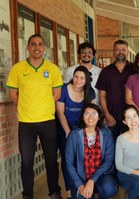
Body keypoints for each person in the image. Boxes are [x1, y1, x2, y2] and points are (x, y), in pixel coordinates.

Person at [6, 34, 63, 199]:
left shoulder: (52, 69)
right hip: (26, 123)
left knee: (51, 160)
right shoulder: (18, 68)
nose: (37, 47)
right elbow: (12, 93)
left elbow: (57, 93)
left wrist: (43, 104)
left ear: (44, 48)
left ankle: (54, 192)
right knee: (26, 162)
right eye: (33, 44)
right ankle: (28, 195)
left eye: (40, 44)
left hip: (48, 121)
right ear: (28, 47)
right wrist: (25, 106)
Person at [56, 65, 95, 198]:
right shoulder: (64, 89)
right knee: (68, 159)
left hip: (81, 128)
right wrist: (68, 132)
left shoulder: (90, 92)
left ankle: (83, 187)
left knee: (82, 157)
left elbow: (91, 114)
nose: (78, 80)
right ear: (72, 77)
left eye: (82, 78)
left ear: (86, 80)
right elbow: (60, 113)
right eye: (76, 77)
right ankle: (68, 192)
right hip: (64, 126)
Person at [65, 103, 117, 199]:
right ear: (82, 117)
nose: (90, 117)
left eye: (94, 113)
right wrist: (80, 185)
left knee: (109, 188)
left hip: (101, 175)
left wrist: (92, 180)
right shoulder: (74, 135)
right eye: (87, 114)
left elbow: (108, 161)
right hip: (81, 178)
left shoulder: (106, 133)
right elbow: (69, 163)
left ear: (99, 118)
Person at [95, 39, 137, 141]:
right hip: (112, 117)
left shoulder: (135, 69)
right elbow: (102, 95)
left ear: (127, 52)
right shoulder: (106, 71)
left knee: (131, 144)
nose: (120, 52)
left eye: (123, 50)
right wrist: (106, 114)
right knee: (112, 145)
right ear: (113, 52)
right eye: (118, 50)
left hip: (131, 116)